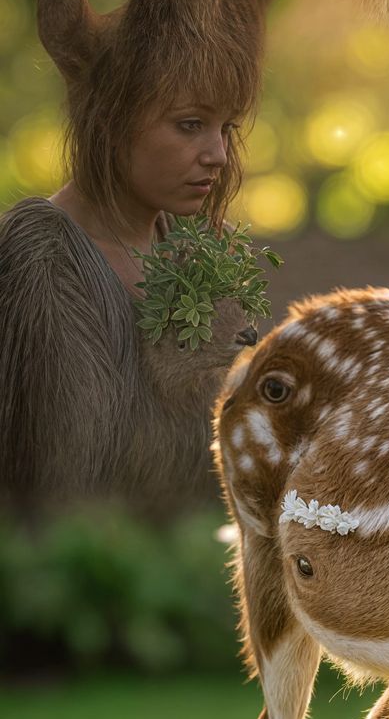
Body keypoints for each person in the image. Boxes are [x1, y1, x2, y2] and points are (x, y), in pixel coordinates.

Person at [0, 79, 246, 513]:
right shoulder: (40, 253)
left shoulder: (202, 248)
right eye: (190, 124)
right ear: (111, 121)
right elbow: (63, 486)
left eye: (226, 128)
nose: (218, 155)